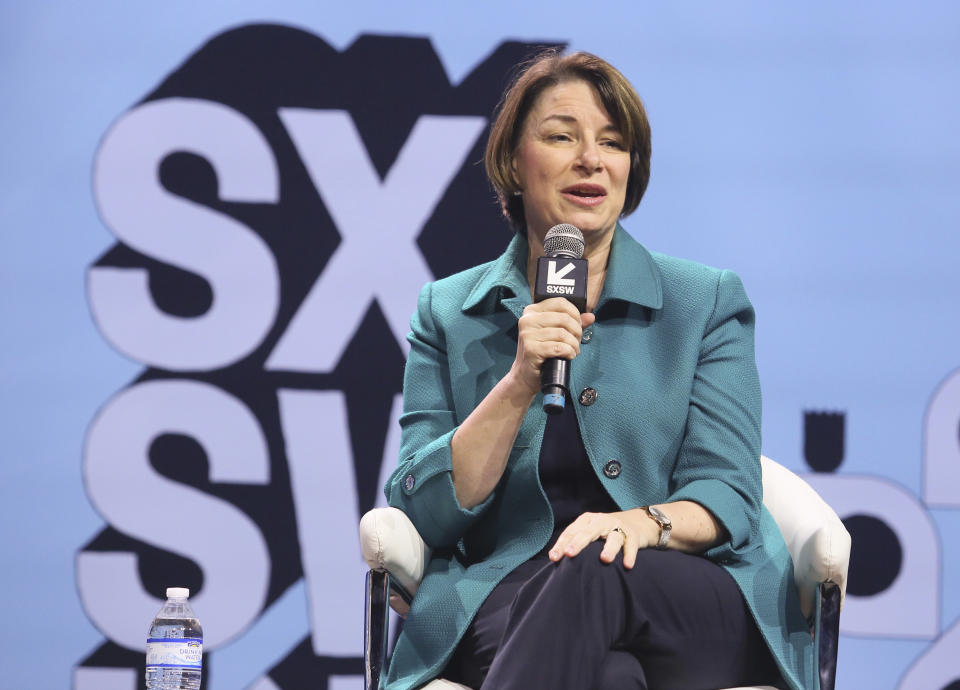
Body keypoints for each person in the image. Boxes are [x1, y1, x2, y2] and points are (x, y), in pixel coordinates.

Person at [384, 49, 815, 690]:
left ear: (629, 170)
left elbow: (727, 490)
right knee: (610, 678)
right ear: (513, 163)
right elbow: (428, 511)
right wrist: (518, 382)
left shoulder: (704, 301)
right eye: (562, 136)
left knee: (595, 564)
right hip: (510, 594)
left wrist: (637, 525)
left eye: (613, 143)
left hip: (686, 594)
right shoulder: (448, 312)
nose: (591, 159)